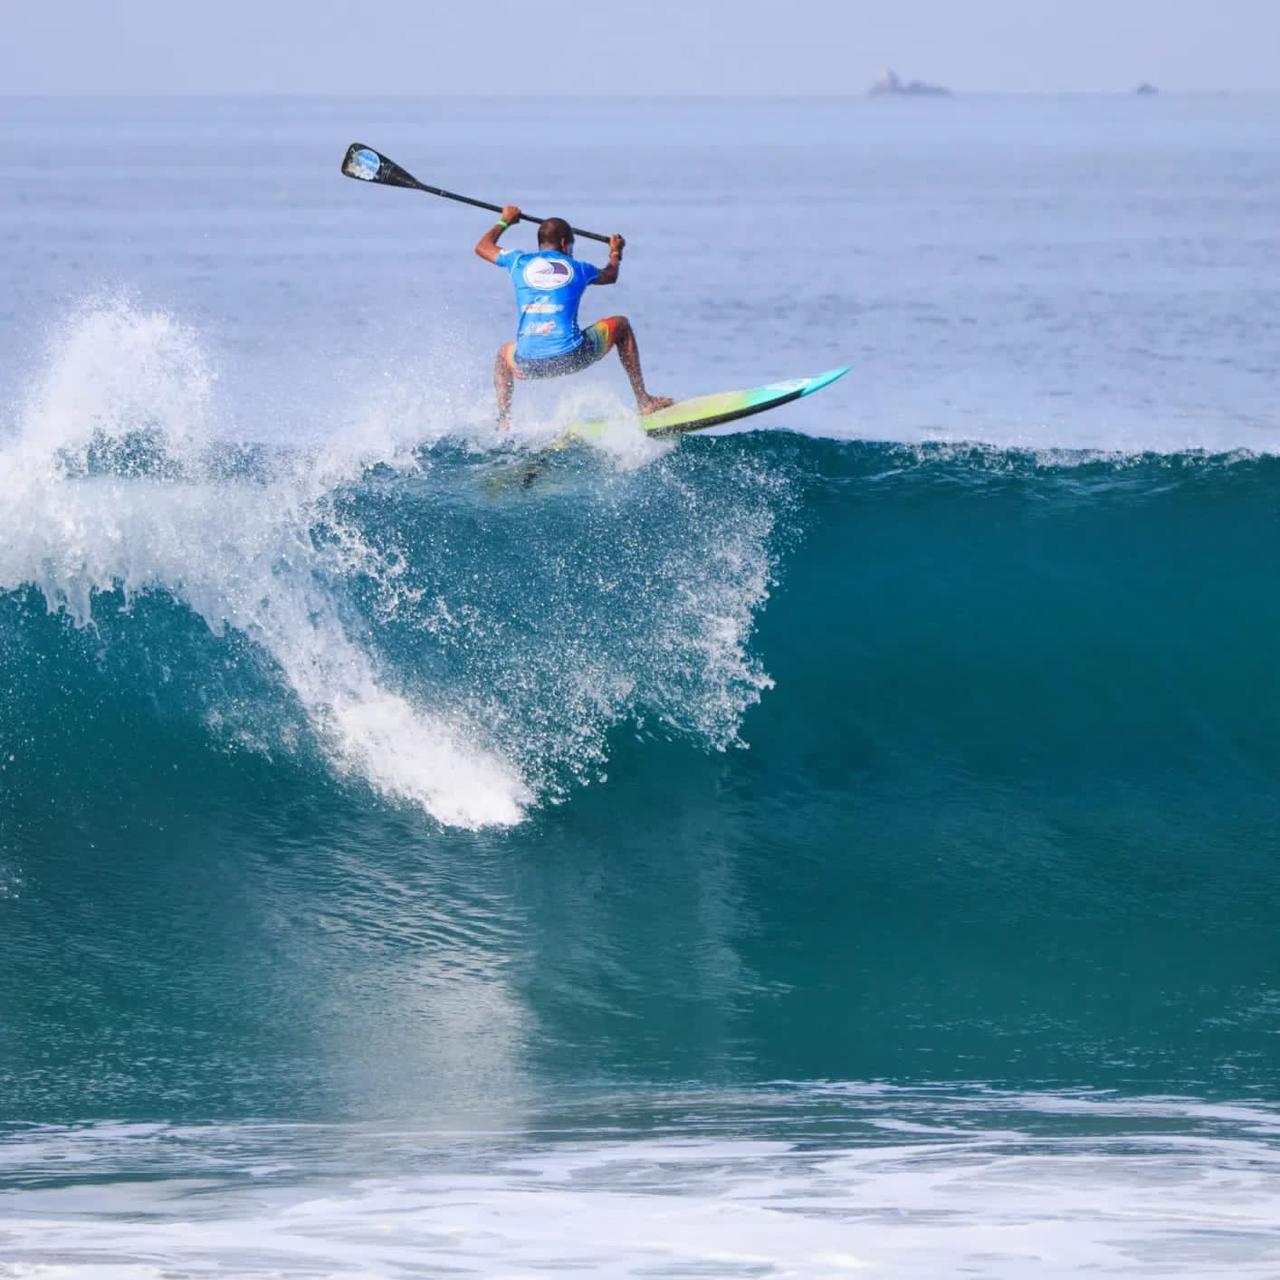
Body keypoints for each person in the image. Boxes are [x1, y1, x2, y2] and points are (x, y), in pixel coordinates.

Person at [475, 206, 672, 430]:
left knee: (504, 354)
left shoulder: (517, 262)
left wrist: (505, 221)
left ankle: (503, 421)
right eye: (572, 245)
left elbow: (482, 247)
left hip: (527, 363)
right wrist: (615, 253)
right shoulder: (579, 268)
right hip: (572, 355)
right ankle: (644, 401)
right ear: (563, 243)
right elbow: (611, 275)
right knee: (621, 325)